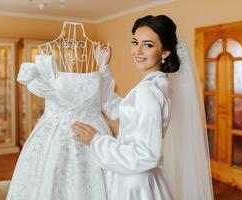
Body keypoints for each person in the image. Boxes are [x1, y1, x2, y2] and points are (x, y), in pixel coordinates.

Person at [72, 15, 214, 200]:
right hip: (142, 178)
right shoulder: (159, 84)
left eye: (148, 45)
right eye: (135, 42)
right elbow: (118, 108)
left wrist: (96, 141)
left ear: (165, 52)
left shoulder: (148, 92)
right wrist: (103, 68)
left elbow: (147, 155)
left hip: (136, 184)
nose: (137, 51)